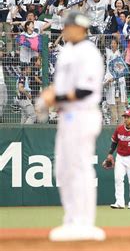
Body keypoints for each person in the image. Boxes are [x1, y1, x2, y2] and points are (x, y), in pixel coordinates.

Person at [37, 12, 105, 241]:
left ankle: (84, 223)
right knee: (63, 170)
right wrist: (52, 96)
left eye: (69, 25)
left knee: (79, 167)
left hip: (83, 114)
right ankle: (71, 220)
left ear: (81, 28)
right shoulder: (67, 50)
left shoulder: (89, 52)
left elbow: (86, 90)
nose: (65, 29)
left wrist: (55, 98)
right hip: (67, 116)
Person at [105, 109, 130, 210]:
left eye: (127, 117)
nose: (125, 119)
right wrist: (110, 154)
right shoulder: (119, 129)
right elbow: (114, 143)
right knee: (118, 179)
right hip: (120, 157)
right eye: (124, 117)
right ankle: (119, 202)